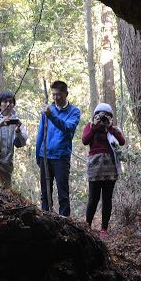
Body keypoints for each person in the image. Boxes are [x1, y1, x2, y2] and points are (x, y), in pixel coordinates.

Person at [35, 80, 81, 216]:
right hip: (45, 156)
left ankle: (64, 222)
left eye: (59, 95)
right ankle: (45, 219)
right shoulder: (48, 110)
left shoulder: (74, 112)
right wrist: (38, 154)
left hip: (61, 157)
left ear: (66, 94)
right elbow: (40, 134)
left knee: (63, 193)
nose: (56, 98)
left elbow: (67, 128)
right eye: (54, 95)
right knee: (45, 192)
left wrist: (51, 115)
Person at [81, 102, 126, 239]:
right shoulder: (90, 126)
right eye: (99, 115)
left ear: (110, 117)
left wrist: (111, 127)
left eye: (106, 115)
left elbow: (122, 142)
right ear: (94, 116)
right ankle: (87, 226)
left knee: (107, 198)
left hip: (110, 167)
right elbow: (85, 140)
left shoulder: (112, 129)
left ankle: (104, 229)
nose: (102, 118)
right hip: (95, 166)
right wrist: (94, 127)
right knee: (93, 198)